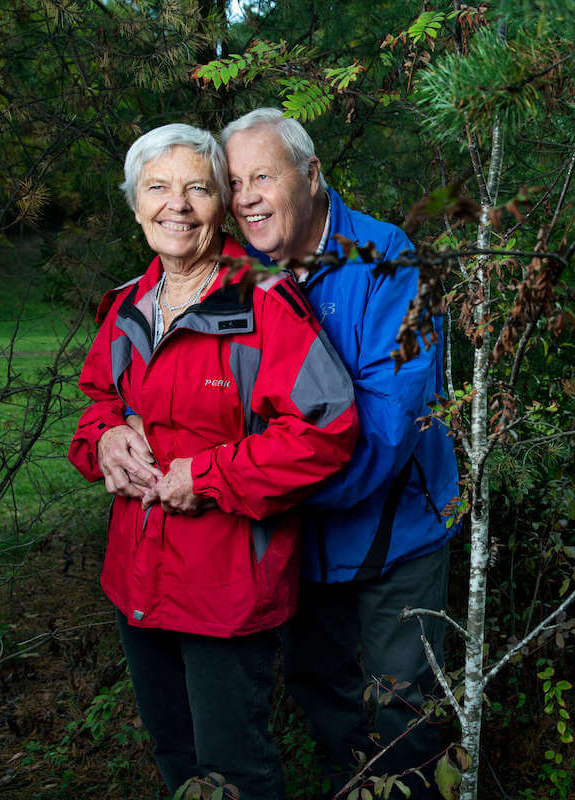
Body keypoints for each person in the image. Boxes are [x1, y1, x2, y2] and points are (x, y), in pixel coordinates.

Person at [67, 122, 359, 800]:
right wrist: (105, 438)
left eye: (198, 188)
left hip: (225, 588)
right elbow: (94, 410)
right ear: (134, 204)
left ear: (220, 206)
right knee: (174, 755)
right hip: (134, 580)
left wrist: (210, 475)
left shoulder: (262, 301)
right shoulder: (127, 306)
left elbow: (326, 430)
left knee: (237, 769)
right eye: (158, 188)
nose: (178, 205)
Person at [222, 107, 460, 798]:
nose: (245, 199)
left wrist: (258, 483)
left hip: (398, 532)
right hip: (298, 538)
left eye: (262, 176)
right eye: (234, 182)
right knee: (320, 692)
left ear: (312, 173)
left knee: (401, 710)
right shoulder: (237, 276)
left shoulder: (389, 261)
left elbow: (387, 431)